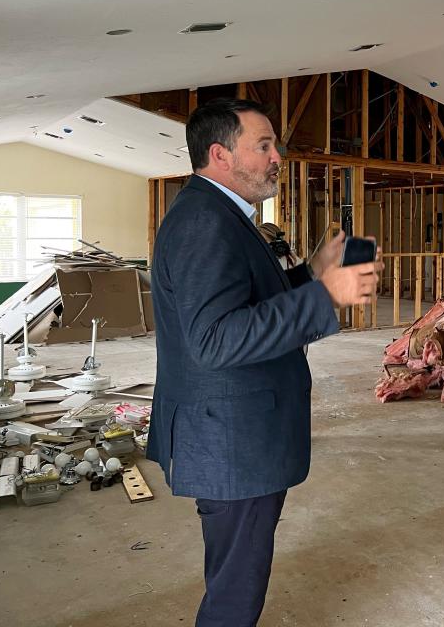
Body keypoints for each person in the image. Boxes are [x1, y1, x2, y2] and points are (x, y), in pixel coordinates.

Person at [147, 97, 380, 627]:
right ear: (220, 154)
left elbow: (245, 304)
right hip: (231, 443)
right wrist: (325, 297)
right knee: (235, 591)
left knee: (237, 575)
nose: (279, 156)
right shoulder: (207, 222)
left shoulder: (222, 214)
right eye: (264, 145)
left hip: (233, 435)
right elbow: (215, 338)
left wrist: (311, 274)